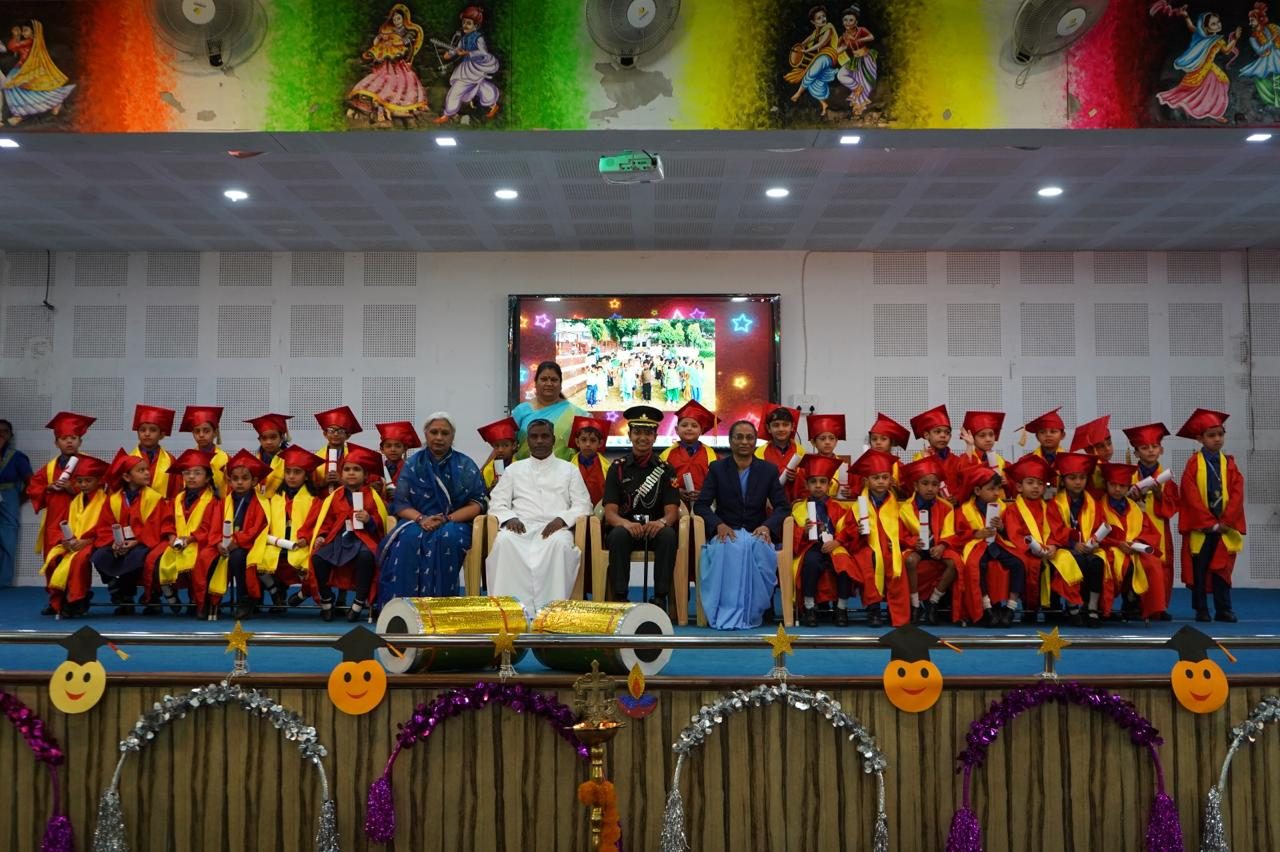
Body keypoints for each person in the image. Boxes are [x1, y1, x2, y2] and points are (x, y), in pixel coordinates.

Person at [486, 420, 592, 617]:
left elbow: (583, 504)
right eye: (534, 437)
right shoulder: (513, 470)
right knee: (503, 541)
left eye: (544, 436)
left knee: (561, 545)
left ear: (553, 439)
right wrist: (509, 518)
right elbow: (497, 502)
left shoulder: (569, 470)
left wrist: (562, 520)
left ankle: (550, 614)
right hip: (520, 527)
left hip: (555, 529)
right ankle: (510, 613)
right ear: (528, 441)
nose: (539, 441)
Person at [377, 413, 487, 602]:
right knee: (409, 539)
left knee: (448, 537)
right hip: (416, 520)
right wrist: (421, 519)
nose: (439, 437)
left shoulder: (465, 464)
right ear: (426, 434)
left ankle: (441, 605)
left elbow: (478, 503)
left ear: (452, 437)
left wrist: (447, 519)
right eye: (434, 432)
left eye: (445, 433)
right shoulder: (413, 464)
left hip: (454, 521)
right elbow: (401, 504)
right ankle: (404, 607)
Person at [695, 419, 789, 629]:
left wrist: (767, 526)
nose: (744, 442)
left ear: (755, 442)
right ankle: (723, 609)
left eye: (749, 437)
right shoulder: (718, 469)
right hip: (726, 532)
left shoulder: (768, 470)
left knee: (761, 548)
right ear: (730, 441)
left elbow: (783, 507)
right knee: (726, 548)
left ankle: (758, 609)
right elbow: (701, 505)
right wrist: (718, 525)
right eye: (739, 437)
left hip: (757, 532)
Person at [300, 444, 390, 622]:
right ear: (341, 474)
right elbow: (327, 521)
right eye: (347, 469)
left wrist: (369, 520)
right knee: (318, 557)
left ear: (365, 475)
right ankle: (327, 600)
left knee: (366, 557)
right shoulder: (335, 496)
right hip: (339, 540)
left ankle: (359, 601)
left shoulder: (372, 496)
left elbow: (381, 522)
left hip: (363, 539)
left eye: (356, 470)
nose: (351, 473)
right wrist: (321, 536)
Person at [602, 405, 680, 609]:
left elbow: (672, 512)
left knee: (668, 535)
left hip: (654, 529)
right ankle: (620, 598)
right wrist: (625, 524)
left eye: (648, 433)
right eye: (637, 432)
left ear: (655, 437)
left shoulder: (665, 469)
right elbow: (610, 512)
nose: (642, 438)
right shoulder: (617, 468)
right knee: (618, 535)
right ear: (629, 435)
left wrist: (661, 522)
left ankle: (660, 597)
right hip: (627, 529)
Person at [1177, 408, 1245, 623]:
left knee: (1222, 569)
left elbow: (1237, 493)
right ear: (1200, 438)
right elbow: (1190, 495)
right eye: (1211, 435)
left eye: (1220, 434)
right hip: (1202, 527)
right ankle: (1202, 609)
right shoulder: (1193, 464)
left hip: (1224, 526)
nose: (1217, 439)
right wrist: (1208, 523)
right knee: (1200, 569)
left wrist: (1226, 521)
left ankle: (1224, 608)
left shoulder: (1230, 464)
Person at [1001, 454, 1082, 626]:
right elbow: (1015, 535)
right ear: (1019, 487)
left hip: (1049, 550)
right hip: (1027, 551)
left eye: (1040, 483)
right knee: (1030, 564)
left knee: (1066, 559)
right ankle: (1030, 608)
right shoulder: (1012, 510)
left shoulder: (1050, 507)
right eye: (1030, 483)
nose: (1035, 487)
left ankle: (1069, 607)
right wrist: (1035, 548)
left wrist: (1053, 546)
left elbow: (1058, 530)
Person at [201, 450, 282, 621]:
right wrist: (218, 543)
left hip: (250, 545)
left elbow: (256, 529)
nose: (239, 482)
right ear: (229, 480)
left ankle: (244, 600)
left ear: (254, 481)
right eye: (235, 478)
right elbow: (214, 527)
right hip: (224, 544)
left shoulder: (260, 503)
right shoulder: (223, 503)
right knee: (206, 556)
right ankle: (208, 601)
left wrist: (236, 541)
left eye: (245, 478)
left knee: (238, 557)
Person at [92, 450, 170, 616]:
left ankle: (130, 597)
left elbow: (154, 526)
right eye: (141, 470)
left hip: (142, 542)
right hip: (118, 542)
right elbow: (105, 525)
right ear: (127, 477)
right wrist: (114, 542)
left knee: (135, 556)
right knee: (99, 555)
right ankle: (114, 589)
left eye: (147, 469)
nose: (147, 473)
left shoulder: (154, 498)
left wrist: (136, 541)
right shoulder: (113, 499)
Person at [944, 465, 1023, 627]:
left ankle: (1010, 607)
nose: (996, 493)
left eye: (998, 488)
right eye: (991, 489)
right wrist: (975, 534)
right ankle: (987, 608)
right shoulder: (964, 510)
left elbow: (1013, 533)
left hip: (998, 543)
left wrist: (1002, 527)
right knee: (977, 565)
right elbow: (957, 535)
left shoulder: (1002, 507)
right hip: (976, 546)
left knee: (1018, 563)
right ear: (977, 490)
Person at [790, 455, 859, 627]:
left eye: (823, 481)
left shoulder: (839, 507)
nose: (818, 485)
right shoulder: (799, 508)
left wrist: (837, 541)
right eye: (813, 482)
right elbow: (791, 534)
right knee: (811, 563)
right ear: (806, 485)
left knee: (844, 564)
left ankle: (841, 608)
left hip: (835, 545)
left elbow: (849, 529)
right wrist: (804, 531)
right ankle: (809, 607)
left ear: (829, 485)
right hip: (811, 546)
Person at [1096, 462, 1167, 624]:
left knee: (1152, 563)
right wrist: (1117, 543)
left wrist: (1138, 543)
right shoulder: (1098, 507)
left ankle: (1138, 605)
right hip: (1108, 549)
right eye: (1113, 485)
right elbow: (1093, 533)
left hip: (1133, 549)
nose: (1117, 489)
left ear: (1128, 486)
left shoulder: (1135, 508)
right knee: (1108, 562)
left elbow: (1150, 532)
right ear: (1106, 485)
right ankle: (1103, 607)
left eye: (1122, 486)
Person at [40, 453, 108, 617]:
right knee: (55, 556)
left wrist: (87, 541)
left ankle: (77, 599)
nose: (83, 485)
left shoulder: (106, 500)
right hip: (75, 542)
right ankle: (59, 600)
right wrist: (66, 540)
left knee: (79, 559)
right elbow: (67, 524)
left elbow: (107, 528)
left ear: (99, 481)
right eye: (80, 481)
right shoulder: (76, 500)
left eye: (88, 481)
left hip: (97, 541)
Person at [1124, 422, 1179, 620]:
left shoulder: (1166, 478)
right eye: (1144, 447)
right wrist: (1131, 496)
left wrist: (1158, 495)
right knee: (1134, 562)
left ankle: (1158, 607)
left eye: (1154, 446)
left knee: (1160, 563)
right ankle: (1132, 604)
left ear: (1161, 450)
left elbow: (1172, 508)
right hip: (1134, 527)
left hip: (1158, 527)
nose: (1150, 451)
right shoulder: (1128, 475)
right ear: (1136, 453)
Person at [848, 448, 909, 627]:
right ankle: (873, 608)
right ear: (866, 481)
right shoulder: (858, 506)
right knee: (869, 560)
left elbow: (904, 532)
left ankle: (894, 610)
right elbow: (846, 532)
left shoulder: (897, 506)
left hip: (890, 547)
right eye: (876, 478)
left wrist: (898, 543)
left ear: (891, 480)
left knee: (895, 560)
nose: (881, 481)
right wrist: (857, 532)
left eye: (884, 477)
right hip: (865, 546)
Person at [154, 450, 219, 616]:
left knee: (199, 562)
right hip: (177, 541)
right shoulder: (177, 499)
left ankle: (199, 602)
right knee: (155, 560)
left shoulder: (213, 501)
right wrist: (171, 537)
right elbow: (168, 521)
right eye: (187, 473)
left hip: (200, 542)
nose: (191, 477)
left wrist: (190, 539)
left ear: (207, 478)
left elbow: (210, 526)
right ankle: (170, 596)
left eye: (197, 473)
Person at [26, 411, 94, 563]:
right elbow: (33, 488)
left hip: (80, 519)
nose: (69, 442)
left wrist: (73, 488)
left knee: (77, 562)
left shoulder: (90, 465)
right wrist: (48, 487)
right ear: (56, 443)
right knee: (52, 560)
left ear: (80, 442)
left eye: (73, 438)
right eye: (64, 438)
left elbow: (100, 491)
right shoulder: (50, 468)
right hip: (55, 521)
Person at [899, 456, 960, 626]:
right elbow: (901, 534)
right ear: (915, 486)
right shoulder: (905, 508)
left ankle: (934, 601)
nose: (930, 488)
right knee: (910, 561)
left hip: (938, 547)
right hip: (916, 548)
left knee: (954, 563)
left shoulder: (946, 507)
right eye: (925, 483)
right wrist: (913, 542)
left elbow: (949, 531)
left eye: (934, 484)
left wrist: (942, 545)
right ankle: (915, 604)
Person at [1050, 453, 1107, 627]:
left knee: (1097, 562)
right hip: (1064, 547)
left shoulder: (1093, 503)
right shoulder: (1055, 503)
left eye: (1082, 478)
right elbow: (1054, 529)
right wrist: (1073, 544)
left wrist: (1094, 543)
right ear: (1063, 480)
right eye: (1072, 478)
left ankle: (1092, 607)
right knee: (1076, 561)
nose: (1078, 482)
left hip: (1089, 547)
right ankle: (1072, 606)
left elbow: (1100, 526)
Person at [346, 3, 428, 123]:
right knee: (382, 79)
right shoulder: (388, 31)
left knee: (406, 79)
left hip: (399, 63)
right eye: (394, 19)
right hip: (386, 63)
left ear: (404, 19)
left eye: (398, 18)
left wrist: (395, 43)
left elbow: (406, 42)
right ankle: (378, 105)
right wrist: (381, 40)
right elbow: (378, 41)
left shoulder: (408, 32)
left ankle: (398, 107)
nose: (396, 21)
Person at [1156, 10, 1242, 123]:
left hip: (1210, 68)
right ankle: (1189, 107)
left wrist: (1235, 38)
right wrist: (1186, 16)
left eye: (1218, 22)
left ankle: (1215, 112)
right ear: (1205, 27)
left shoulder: (1218, 40)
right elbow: (1192, 27)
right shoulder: (1200, 36)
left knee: (1222, 83)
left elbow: (1226, 50)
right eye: (1213, 24)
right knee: (1191, 89)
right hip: (1198, 68)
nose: (1218, 25)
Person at [273, 445, 325, 612]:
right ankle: (276, 593)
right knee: (255, 559)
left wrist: (306, 538)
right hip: (277, 544)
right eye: (288, 472)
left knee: (313, 564)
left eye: (297, 472)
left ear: (306, 476)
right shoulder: (275, 498)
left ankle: (303, 593)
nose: (291, 476)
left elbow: (314, 524)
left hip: (301, 544)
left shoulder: (314, 500)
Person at [434, 5, 501, 124]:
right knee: (467, 88)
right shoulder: (463, 39)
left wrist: (468, 53)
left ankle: (492, 105)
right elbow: (457, 49)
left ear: (476, 26)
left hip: (477, 67)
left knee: (471, 88)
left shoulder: (478, 38)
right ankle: (447, 114)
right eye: (464, 22)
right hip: (466, 69)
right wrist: (450, 54)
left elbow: (483, 53)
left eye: (469, 23)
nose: (465, 25)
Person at [511, 361, 587, 461]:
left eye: (554, 380)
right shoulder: (521, 411)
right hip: (524, 469)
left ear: (560, 384)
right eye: (544, 379)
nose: (549, 383)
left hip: (564, 469)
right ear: (535, 383)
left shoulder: (577, 414)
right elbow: (505, 445)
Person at [660, 400, 718, 509]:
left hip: (704, 507)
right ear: (676, 430)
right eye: (684, 425)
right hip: (675, 508)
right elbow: (661, 482)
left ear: (701, 430)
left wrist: (705, 493)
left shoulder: (712, 455)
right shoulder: (666, 455)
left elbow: (719, 483)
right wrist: (675, 491)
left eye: (694, 426)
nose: (689, 428)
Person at [0, 418, 33, 587]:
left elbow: (31, 483)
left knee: (8, 539)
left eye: (5, 431)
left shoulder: (17, 457)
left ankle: (4, 582)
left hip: (8, 496)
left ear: (10, 435)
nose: (1, 434)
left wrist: (18, 499)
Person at [909, 405, 964, 499]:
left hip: (953, 506)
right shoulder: (919, 459)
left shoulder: (957, 461)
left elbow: (963, 485)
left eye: (947, 432)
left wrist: (957, 498)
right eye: (937, 432)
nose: (943, 435)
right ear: (926, 435)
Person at [756, 403, 805, 501]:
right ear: (768, 428)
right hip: (769, 504)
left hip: (794, 503)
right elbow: (757, 481)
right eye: (776, 425)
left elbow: (806, 482)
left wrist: (796, 476)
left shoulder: (800, 452)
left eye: (785, 425)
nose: (781, 429)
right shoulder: (760, 452)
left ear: (792, 427)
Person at [180, 405, 229, 496]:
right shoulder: (186, 459)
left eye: (206, 431)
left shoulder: (226, 459)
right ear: (193, 433)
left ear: (215, 433)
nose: (201, 435)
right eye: (197, 431)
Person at [312, 406, 362, 493]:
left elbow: (365, 486)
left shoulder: (356, 457)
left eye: (341, 431)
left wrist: (343, 481)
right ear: (325, 434)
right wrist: (322, 483)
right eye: (331, 430)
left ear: (348, 435)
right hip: (322, 500)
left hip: (347, 500)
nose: (335, 434)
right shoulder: (315, 458)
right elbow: (308, 488)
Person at [132, 404, 177, 498]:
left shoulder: (171, 461)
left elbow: (176, 492)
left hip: (163, 506)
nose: (147, 434)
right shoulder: (128, 459)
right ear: (137, 434)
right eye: (142, 430)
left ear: (162, 435)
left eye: (153, 430)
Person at [245, 413, 292, 498]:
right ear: (259, 440)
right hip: (259, 502)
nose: (269, 442)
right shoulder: (253, 462)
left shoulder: (289, 460)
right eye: (264, 438)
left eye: (273, 437)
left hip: (281, 502)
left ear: (281, 438)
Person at [569, 416, 611, 508]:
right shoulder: (567, 468)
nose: (588, 444)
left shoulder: (608, 468)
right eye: (584, 440)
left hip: (601, 512)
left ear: (600, 443)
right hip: (575, 511)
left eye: (593, 440)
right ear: (577, 442)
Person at [1070, 414, 1113, 499]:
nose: (1107, 449)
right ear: (1089, 451)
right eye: (1101, 446)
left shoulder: (1111, 467)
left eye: (1109, 443)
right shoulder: (1088, 471)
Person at [375, 420, 419, 501]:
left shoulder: (412, 471)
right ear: (382, 449)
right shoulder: (376, 471)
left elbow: (420, 494)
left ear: (405, 449)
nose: (393, 449)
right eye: (388, 446)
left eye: (398, 446)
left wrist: (402, 494)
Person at [477, 416, 520, 492]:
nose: (500, 450)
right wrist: (491, 489)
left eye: (505, 445)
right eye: (496, 446)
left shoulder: (520, 466)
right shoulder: (487, 470)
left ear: (513, 446)